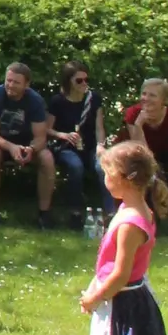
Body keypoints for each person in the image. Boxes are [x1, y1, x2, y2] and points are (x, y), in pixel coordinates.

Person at [82, 141, 168, 335]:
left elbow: (121, 274)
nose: (104, 179)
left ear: (125, 179)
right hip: (125, 298)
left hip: (126, 303)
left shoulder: (130, 224)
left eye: (107, 174)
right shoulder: (132, 207)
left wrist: (93, 299)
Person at [0, 62, 57, 229]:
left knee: (47, 157)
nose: (10, 85)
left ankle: (44, 214)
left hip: (25, 145)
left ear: (27, 84)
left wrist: (32, 149)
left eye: (16, 82)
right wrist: (10, 147)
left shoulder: (35, 101)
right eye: (8, 80)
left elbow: (40, 137)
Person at [123, 79, 168, 239]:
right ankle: (146, 219)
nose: (146, 99)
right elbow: (141, 151)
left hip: (164, 155)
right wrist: (138, 125)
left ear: (164, 100)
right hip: (139, 157)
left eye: (152, 95)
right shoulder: (133, 114)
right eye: (144, 94)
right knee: (143, 171)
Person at [48, 60, 113, 228]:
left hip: (90, 146)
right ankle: (75, 213)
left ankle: (111, 214)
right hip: (66, 147)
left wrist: (101, 145)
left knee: (103, 167)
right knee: (75, 167)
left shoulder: (94, 99)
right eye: (79, 80)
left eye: (86, 80)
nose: (84, 83)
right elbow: (47, 129)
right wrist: (63, 135)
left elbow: (99, 128)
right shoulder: (58, 101)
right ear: (68, 81)